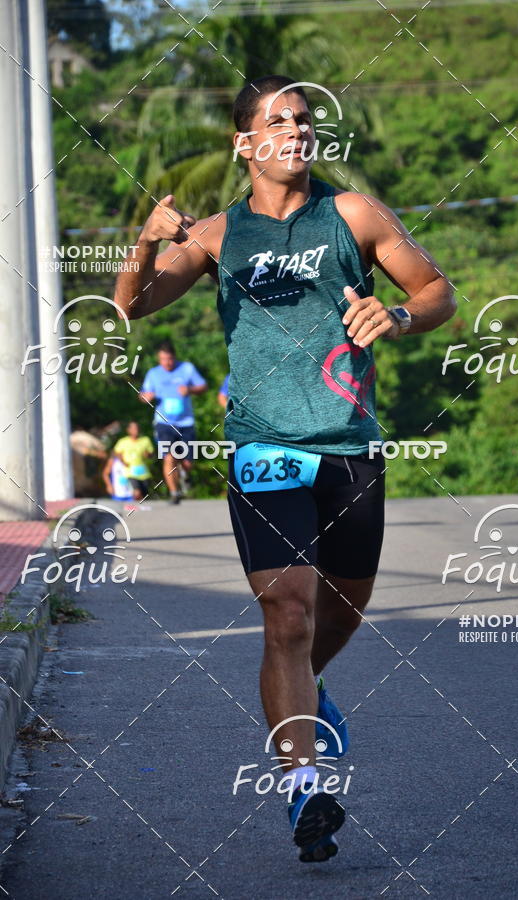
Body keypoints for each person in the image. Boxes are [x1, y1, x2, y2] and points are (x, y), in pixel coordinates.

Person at [114, 74, 456, 862]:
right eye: (278, 121)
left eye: (303, 119)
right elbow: (129, 307)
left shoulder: (353, 214)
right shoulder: (214, 236)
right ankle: (303, 788)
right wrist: (145, 239)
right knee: (290, 616)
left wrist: (399, 314)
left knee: (338, 617)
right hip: (263, 445)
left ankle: (304, 693)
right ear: (245, 142)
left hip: (348, 443)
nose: (296, 131)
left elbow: (438, 289)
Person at [139, 340, 207, 504]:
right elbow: (142, 394)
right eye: (163, 359)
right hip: (163, 423)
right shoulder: (153, 374)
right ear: (158, 358)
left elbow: (203, 386)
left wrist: (190, 389)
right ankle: (174, 492)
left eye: (169, 359)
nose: (166, 363)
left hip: (186, 423)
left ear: (174, 357)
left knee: (187, 461)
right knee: (169, 457)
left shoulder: (186, 369)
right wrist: (146, 397)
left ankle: (185, 474)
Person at [113, 421, 154, 503]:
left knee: (144, 493)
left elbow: (152, 454)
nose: (136, 430)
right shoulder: (122, 441)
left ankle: (143, 507)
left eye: (137, 428)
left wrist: (148, 455)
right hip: (130, 471)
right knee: (137, 492)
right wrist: (122, 461)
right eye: (133, 428)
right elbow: (116, 452)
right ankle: (135, 508)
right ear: (128, 430)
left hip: (143, 472)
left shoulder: (145, 440)